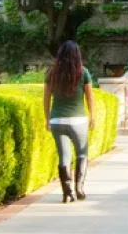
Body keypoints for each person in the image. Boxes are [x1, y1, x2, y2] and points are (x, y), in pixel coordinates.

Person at [43, 40, 95, 204]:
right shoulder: (83, 72)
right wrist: (92, 116)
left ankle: (67, 193)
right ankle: (79, 188)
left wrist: (47, 119)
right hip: (78, 120)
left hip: (57, 120)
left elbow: (45, 98)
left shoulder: (52, 73)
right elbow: (89, 97)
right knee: (82, 153)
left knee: (64, 157)